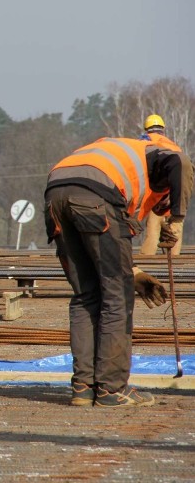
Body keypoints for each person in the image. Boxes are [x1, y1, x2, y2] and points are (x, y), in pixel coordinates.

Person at [45, 136, 192, 407]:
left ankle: (83, 387)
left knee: (85, 295)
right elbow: (180, 162)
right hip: (95, 196)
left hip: (56, 192)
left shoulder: (121, 159)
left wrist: (133, 272)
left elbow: (103, 250)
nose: (159, 210)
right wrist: (178, 219)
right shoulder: (163, 152)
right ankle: (112, 389)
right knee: (117, 298)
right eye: (162, 205)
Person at [138, 114, 186, 255]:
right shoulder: (173, 146)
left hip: (155, 195)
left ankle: (148, 262)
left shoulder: (144, 143)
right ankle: (175, 262)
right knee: (175, 229)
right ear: (163, 129)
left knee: (153, 229)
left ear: (147, 129)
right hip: (173, 195)